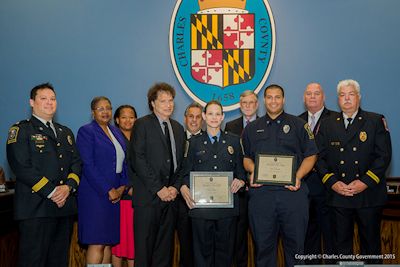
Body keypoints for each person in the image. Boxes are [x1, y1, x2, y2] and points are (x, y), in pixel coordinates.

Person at [316, 79, 392, 263]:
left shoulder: (374, 121)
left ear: (359, 97)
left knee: (371, 246)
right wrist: (333, 182)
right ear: (338, 99)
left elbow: (383, 157)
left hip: (368, 194)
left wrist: (364, 182)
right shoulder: (327, 124)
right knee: (341, 247)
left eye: (351, 94)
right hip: (339, 194)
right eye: (342, 95)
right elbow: (319, 157)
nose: (347, 98)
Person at [242, 84, 318, 267]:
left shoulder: (299, 125)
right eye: (269, 97)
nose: (273, 101)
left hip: (292, 194)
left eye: (277, 97)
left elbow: (311, 155)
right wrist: (253, 171)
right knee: (263, 249)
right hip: (262, 196)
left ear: (283, 100)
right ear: (264, 100)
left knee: (296, 250)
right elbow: (245, 158)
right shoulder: (252, 128)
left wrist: (298, 176)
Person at [6, 82, 81, 267]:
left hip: (63, 208)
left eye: (53, 99)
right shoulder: (21, 130)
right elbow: (21, 166)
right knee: (34, 261)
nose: (49, 103)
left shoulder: (65, 132)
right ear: (32, 102)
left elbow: (76, 163)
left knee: (59, 260)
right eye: (44, 98)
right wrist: (52, 191)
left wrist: (68, 187)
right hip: (36, 209)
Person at [180, 100, 246, 267]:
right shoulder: (193, 142)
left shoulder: (234, 141)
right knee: (201, 256)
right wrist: (183, 186)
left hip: (226, 210)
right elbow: (185, 173)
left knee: (225, 256)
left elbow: (241, 172)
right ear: (204, 116)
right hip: (201, 210)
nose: (214, 117)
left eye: (218, 114)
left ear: (223, 117)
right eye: (210, 114)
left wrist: (241, 181)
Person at [130, 82, 185, 267]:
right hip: (148, 199)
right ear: (153, 103)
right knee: (144, 252)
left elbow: (181, 164)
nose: (168, 105)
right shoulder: (141, 125)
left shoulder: (178, 128)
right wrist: (159, 188)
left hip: (170, 200)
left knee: (165, 252)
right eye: (163, 101)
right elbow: (138, 160)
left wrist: (174, 188)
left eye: (171, 101)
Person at [76, 96, 128, 265]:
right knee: (97, 242)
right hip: (95, 196)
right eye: (100, 109)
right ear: (93, 113)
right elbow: (87, 165)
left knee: (107, 243)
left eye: (108, 108)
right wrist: (108, 189)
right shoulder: (86, 131)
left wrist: (122, 187)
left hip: (115, 196)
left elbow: (124, 163)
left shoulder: (116, 132)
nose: (105, 112)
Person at [299, 82, 337, 263]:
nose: (312, 97)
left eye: (316, 93)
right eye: (309, 94)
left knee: (332, 239)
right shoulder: (296, 121)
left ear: (324, 97)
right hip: (304, 190)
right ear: (303, 98)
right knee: (308, 240)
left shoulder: (336, 119)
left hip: (330, 189)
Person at [225, 90, 258, 267]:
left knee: (261, 237)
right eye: (244, 103)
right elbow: (230, 159)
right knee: (237, 239)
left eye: (251, 102)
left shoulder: (266, 124)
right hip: (239, 191)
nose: (248, 106)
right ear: (240, 105)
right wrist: (242, 180)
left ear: (257, 104)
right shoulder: (231, 126)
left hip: (261, 189)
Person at [176, 102, 203, 267]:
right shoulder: (175, 139)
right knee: (185, 246)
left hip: (204, 202)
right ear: (185, 118)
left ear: (203, 119)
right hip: (180, 202)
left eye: (198, 117)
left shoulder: (209, 139)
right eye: (190, 116)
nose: (194, 120)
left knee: (203, 247)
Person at [111, 105, 137, 267]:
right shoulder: (112, 138)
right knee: (119, 244)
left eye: (131, 117)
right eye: (124, 117)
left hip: (138, 197)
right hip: (120, 197)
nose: (128, 120)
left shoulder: (140, 138)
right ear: (117, 120)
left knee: (134, 243)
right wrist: (126, 187)